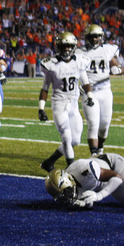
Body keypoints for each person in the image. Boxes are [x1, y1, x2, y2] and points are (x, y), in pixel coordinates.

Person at [38, 32, 94, 171]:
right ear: (58, 47)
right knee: (67, 137)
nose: (67, 49)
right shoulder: (51, 64)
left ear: (74, 47)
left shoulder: (80, 62)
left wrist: (90, 96)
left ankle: (49, 162)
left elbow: (85, 81)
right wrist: (41, 108)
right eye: (64, 46)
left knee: (75, 140)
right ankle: (72, 170)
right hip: (59, 104)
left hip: (73, 105)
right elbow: (45, 88)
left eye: (69, 46)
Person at [77, 24, 122, 156]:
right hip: (89, 92)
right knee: (93, 123)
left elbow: (114, 61)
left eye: (97, 36)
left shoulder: (107, 49)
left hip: (105, 91)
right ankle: (94, 154)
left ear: (101, 37)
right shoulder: (80, 52)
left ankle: (100, 148)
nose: (95, 39)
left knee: (104, 125)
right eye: (92, 36)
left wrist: (117, 67)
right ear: (87, 37)